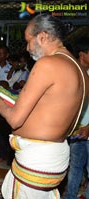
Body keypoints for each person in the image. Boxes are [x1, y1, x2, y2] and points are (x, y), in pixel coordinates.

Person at [0, 14, 88, 199]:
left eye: (28, 41)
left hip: (38, 158)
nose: (27, 47)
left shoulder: (47, 64)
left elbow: (15, 119)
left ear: (43, 37)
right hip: (56, 154)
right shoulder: (79, 68)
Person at [64, 36, 89, 199]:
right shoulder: (72, 73)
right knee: (74, 168)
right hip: (75, 131)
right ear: (82, 54)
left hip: (87, 129)